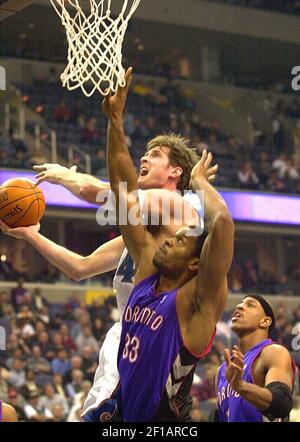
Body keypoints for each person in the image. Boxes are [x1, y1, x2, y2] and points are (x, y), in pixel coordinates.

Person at [0, 101, 202, 418]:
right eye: (144, 154)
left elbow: (107, 194)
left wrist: (66, 176)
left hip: (157, 338)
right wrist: (30, 235)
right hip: (127, 338)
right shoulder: (137, 237)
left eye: (156, 155)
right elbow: (80, 268)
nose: (144, 158)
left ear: (175, 172)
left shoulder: (171, 204)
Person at [96, 67, 234, 421]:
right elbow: (123, 190)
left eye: (181, 241)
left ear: (195, 264)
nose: (168, 242)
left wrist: (199, 181)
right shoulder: (146, 272)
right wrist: (116, 123)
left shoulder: (197, 302)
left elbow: (222, 223)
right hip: (124, 413)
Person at [215, 295, 296, 422]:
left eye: (250, 305)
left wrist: (240, 386)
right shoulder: (223, 369)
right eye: (240, 304)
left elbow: (282, 403)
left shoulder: (273, 352)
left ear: (265, 321)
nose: (239, 306)